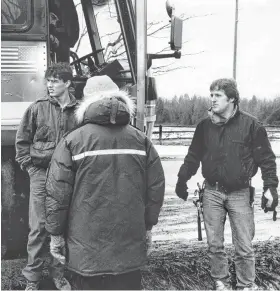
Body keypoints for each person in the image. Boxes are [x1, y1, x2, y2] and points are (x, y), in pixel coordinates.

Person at [44, 75, 165, 290]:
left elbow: (57, 194)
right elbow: (155, 188)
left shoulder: (73, 141)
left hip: (85, 256)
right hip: (128, 254)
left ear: (86, 102)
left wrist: (55, 235)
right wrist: (148, 227)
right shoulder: (141, 141)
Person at [175, 78, 278, 290]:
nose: (212, 99)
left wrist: (271, 188)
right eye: (211, 95)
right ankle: (220, 281)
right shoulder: (204, 127)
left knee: (244, 244)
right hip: (211, 191)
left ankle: (246, 285)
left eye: (217, 95)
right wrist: (182, 178)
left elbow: (266, 160)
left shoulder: (252, 126)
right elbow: (193, 156)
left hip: (240, 193)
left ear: (231, 98)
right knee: (214, 244)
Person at [15, 62, 79, 290]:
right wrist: (31, 169)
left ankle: (58, 274)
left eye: (55, 81)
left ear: (68, 83)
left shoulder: (79, 111)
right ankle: (32, 279)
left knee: (62, 225)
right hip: (41, 173)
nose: (50, 85)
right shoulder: (36, 108)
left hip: (67, 176)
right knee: (39, 227)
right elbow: (22, 143)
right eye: (48, 81)